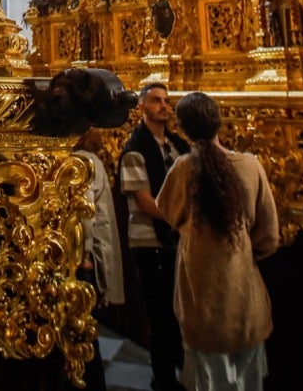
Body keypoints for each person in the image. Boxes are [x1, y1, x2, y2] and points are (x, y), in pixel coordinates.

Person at [157, 93, 278, 391]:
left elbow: (168, 212)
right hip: (244, 294)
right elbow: (269, 236)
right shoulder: (250, 165)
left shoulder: (184, 169)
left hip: (202, 296)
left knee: (208, 381)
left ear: (182, 127)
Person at [118, 80, 190, 391]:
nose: (164, 106)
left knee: (178, 311)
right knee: (160, 314)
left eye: (166, 101)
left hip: (176, 239)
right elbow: (145, 202)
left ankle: (180, 369)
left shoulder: (177, 147)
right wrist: (182, 215)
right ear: (142, 107)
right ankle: (162, 378)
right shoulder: (135, 150)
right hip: (149, 242)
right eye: (157, 101)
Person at [74, 131, 125, 391]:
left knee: (82, 331)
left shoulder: (83, 161)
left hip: (82, 260)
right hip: (85, 258)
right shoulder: (88, 160)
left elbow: (89, 216)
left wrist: (85, 256)